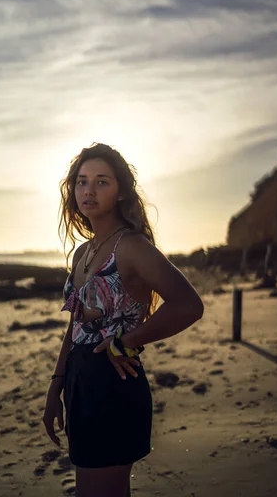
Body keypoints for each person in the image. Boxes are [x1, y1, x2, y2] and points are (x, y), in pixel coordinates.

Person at [43, 143, 204, 497]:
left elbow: (188, 305)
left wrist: (126, 341)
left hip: (114, 384)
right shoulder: (83, 252)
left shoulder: (131, 247)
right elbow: (75, 325)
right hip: (80, 382)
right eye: (82, 182)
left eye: (102, 182)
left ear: (120, 192)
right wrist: (57, 384)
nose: (88, 190)